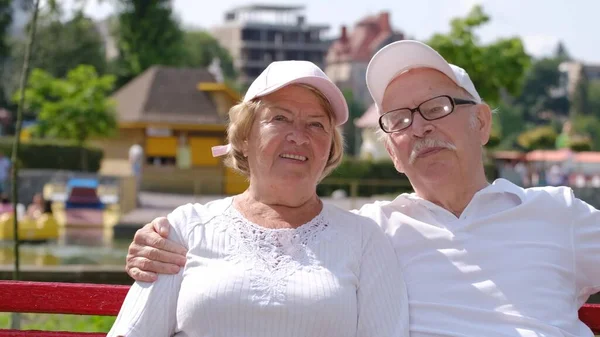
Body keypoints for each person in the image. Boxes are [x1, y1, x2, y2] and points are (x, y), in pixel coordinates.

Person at [124, 40, 600, 337]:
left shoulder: (559, 214)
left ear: (480, 121)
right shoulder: (374, 231)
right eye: (399, 120)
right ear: (392, 151)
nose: (419, 129)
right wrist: (155, 242)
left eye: (436, 108)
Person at [107, 60, 409, 337]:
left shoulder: (364, 240)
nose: (299, 136)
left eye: (316, 124)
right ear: (244, 138)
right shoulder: (186, 228)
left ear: (330, 148)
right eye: (280, 118)